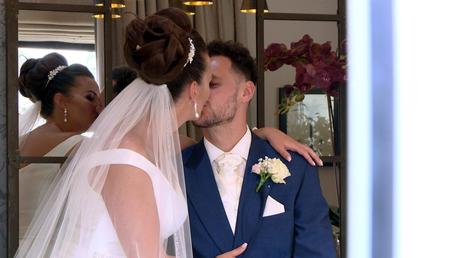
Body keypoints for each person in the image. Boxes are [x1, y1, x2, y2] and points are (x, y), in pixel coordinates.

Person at [16, 8, 321, 258]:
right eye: (208, 84)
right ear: (193, 91)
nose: (208, 94)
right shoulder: (126, 159)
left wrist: (264, 133)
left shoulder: (166, 146)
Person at [183, 40, 336, 258]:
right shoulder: (175, 169)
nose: (200, 94)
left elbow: (317, 253)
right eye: (196, 84)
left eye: (213, 84)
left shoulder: (296, 167)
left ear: (246, 92)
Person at [17, 52, 103, 240]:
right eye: (90, 97)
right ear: (61, 101)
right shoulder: (78, 146)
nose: (99, 106)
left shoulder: (18, 142)